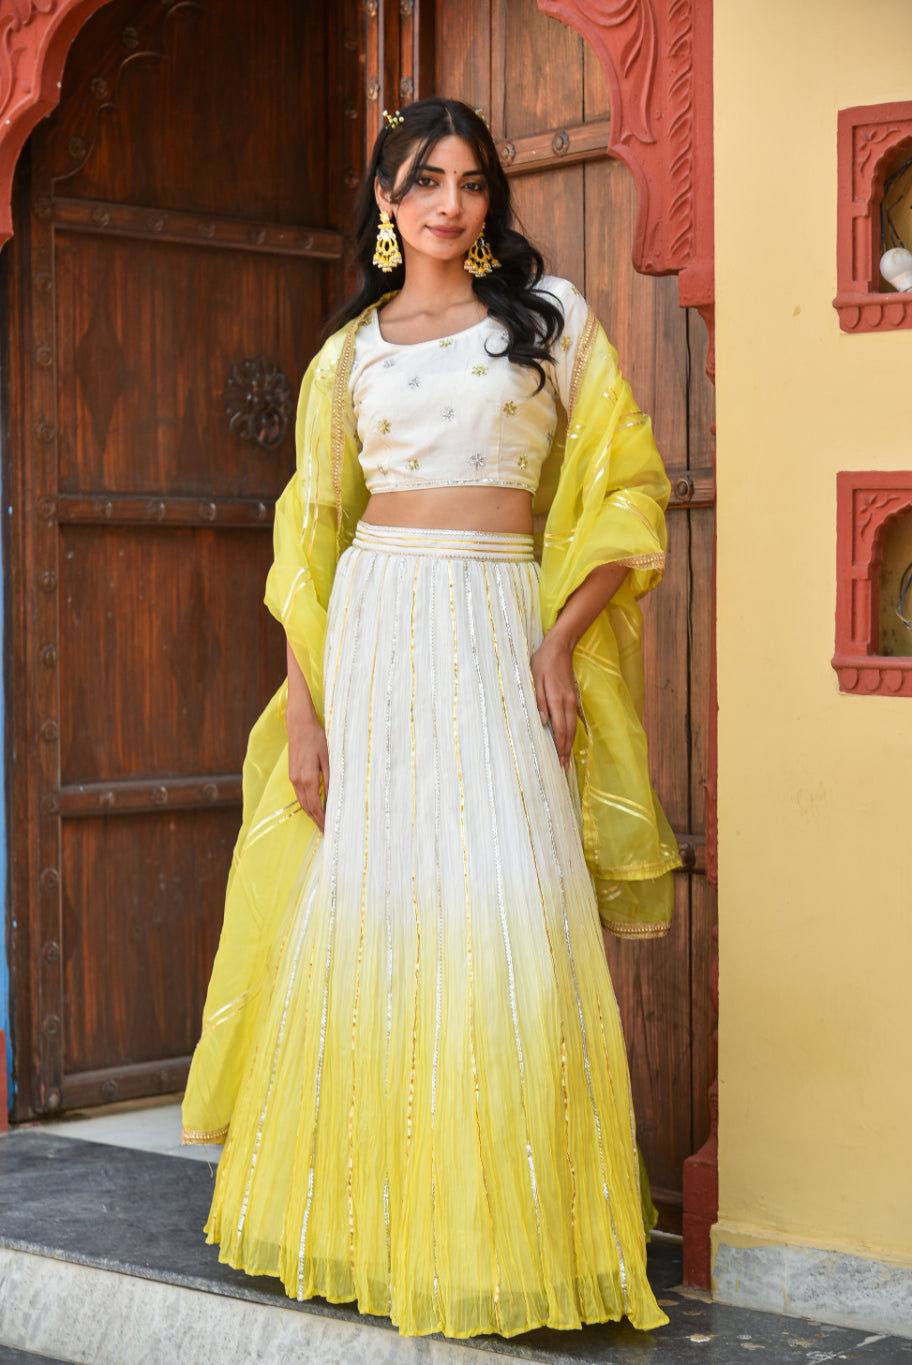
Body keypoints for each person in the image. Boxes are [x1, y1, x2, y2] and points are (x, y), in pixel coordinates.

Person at [181, 97, 681, 1339]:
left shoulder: (548, 320)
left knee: (511, 909)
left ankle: (517, 1240)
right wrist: (307, 718)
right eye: (425, 182)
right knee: (378, 907)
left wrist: (559, 642)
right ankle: (366, 1228)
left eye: (470, 182)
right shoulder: (348, 354)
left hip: (499, 629)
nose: (451, 203)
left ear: (489, 200)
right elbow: (309, 544)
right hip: (376, 637)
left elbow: (626, 489)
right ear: (389, 206)